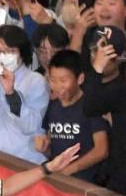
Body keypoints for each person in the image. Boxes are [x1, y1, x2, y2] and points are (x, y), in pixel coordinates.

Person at [0, 25, 49, 164]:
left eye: (10, 51)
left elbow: (30, 126)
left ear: (22, 53)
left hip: (27, 162)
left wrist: (11, 93)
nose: (3, 56)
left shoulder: (36, 81)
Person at [36, 49, 109, 184]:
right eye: (52, 80)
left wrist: (69, 170)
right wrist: (44, 148)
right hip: (57, 181)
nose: (57, 86)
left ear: (80, 79)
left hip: (85, 186)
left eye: (63, 80)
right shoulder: (52, 105)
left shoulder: (91, 105)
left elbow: (101, 150)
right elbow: (52, 147)